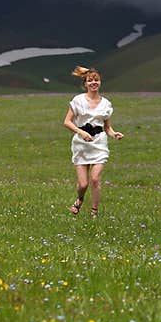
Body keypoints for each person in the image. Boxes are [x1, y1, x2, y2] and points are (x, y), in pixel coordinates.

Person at [63, 66, 123, 219]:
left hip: (99, 144)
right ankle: (80, 200)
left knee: (95, 179)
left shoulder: (106, 104)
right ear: (85, 84)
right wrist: (81, 133)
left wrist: (114, 134)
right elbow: (67, 122)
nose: (93, 83)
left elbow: (107, 127)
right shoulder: (78, 101)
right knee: (83, 184)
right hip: (81, 145)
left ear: (100, 82)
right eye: (90, 80)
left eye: (96, 80)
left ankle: (94, 213)